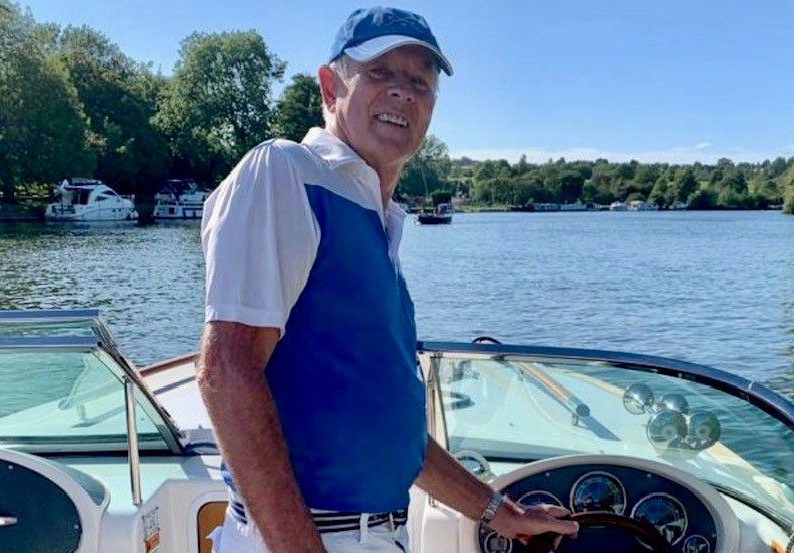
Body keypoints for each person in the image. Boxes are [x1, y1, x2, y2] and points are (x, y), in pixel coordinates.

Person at [197, 7, 579, 553]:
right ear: (330, 87)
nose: (403, 92)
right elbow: (225, 372)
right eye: (380, 73)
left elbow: (391, 435)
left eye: (419, 81)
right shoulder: (285, 172)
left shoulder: (379, 223)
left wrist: (500, 513)